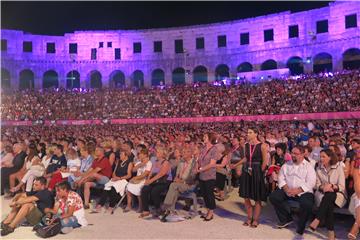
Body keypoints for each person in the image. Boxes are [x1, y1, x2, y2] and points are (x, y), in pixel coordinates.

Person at [269, 145, 316, 236]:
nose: (293, 155)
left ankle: (301, 225)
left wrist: (298, 190)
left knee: (307, 204)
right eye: (292, 153)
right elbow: (281, 178)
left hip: (303, 191)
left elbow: (311, 182)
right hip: (288, 189)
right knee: (274, 197)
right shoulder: (287, 165)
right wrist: (286, 189)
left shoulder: (308, 166)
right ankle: (286, 218)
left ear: (302, 154)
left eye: (296, 154)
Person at [308, 149, 346, 239]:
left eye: (323, 156)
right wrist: (322, 187)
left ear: (330, 157)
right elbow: (316, 184)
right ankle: (330, 231)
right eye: (320, 156)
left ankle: (317, 219)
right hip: (323, 194)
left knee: (330, 196)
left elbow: (342, 186)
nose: (321, 158)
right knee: (328, 200)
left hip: (338, 194)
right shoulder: (319, 169)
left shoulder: (338, 168)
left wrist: (332, 186)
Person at [239, 128, 269, 228]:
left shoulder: (263, 145)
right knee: (246, 196)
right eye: (247, 132)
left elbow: (265, 161)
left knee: (257, 197)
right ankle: (249, 217)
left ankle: (255, 220)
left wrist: (260, 173)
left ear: (256, 134)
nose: (248, 134)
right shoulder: (246, 145)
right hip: (247, 170)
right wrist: (236, 165)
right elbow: (246, 158)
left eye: (250, 132)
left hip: (257, 171)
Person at [161, 146, 197, 222]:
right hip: (179, 184)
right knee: (174, 189)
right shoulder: (181, 162)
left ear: (190, 153)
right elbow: (177, 174)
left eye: (184, 152)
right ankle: (171, 212)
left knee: (173, 186)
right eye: (182, 152)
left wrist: (182, 181)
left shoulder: (194, 163)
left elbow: (193, 177)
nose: (182, 154)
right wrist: (176, 179)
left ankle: (165, 207)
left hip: (188, 184)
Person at [139, 145, 172, 218]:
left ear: (162, 153)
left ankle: (158, 209)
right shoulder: (155, 161)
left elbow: (161, 174)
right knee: (144, 189)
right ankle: (146, 210)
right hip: (155, 180)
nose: (156, 153)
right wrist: (148, 179)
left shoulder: (166, 162)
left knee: (155, 191)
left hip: (164, 181)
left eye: (157, 152)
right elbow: (151, 172)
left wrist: (150, 181)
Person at [197, 132, 223, 221]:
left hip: (209, 175)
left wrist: (201, 169)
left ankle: (211, 213)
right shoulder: (203, 148)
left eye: (205, 136)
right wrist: (198, 166)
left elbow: (212, 164)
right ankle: (208, 210)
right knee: (204, 194)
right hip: (202, 175)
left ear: (210, 138)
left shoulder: (214, 149)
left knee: (209, 194)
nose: (203, 137)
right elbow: (200, 159)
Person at [125, 149, 152, 213]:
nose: (139, 155)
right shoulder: (139, 162)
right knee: (128, 187)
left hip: (143, 180)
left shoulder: (149, 163)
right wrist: (140, 165)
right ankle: (129, 205)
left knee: (139, 188)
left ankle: (141, 207)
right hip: (137, 179)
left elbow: (145, 174)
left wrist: (135, 178)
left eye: (140, 154)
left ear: (145, 155)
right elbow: (133, 170)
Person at [348, 148, 360, 239]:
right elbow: (357, 185)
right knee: (358, 198)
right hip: (358, 192)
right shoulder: (357, 168)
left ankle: (356, 225)